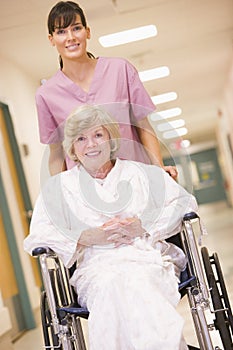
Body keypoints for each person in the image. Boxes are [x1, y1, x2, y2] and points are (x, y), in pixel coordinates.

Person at [24, 105, 197, 350]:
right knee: (112, 284)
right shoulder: (58, 188)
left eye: (98, 135)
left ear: (110, 139)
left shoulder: (144, 174)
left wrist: (143, 226)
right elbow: (38, 237)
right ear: (72, 147)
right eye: (81, 139)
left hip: (147, 258)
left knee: (137, 281)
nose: (91, 145)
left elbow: (184, 203)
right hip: (96, 268)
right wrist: (86, 237)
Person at [36, 0, 177, 178]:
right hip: (88, 193)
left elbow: (143, 126)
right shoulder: (46, 95)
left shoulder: (120, 70)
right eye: (61, 31)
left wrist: (158, 169)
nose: (70, 37)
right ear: (52, 39)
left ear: (87, 32)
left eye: (76, 28)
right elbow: (56, 154)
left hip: (136, 180)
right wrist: (59, 191)